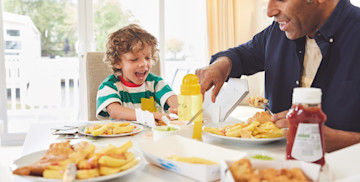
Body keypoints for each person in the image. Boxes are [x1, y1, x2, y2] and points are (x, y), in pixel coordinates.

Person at [196, 0, 360, 152]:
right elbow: (240, 55)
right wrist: (221, 64)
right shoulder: (279, 32)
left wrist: (342, 141)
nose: (270, 11)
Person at [96, 24, 178, 127]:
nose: (144, 64)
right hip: (121, 139)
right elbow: (115, 111)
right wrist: (147, 116)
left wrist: (180, 108)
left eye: (147, 58)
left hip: (151, 138)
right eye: (134, 59)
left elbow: (172, 98)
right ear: (117, 62)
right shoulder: (109, 85)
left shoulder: (155, 83)